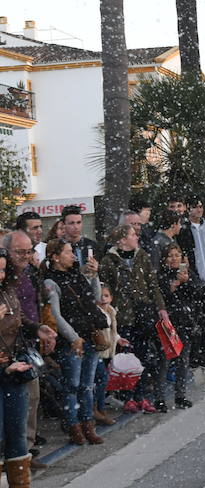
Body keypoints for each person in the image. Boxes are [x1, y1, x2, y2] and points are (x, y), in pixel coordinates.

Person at [41, 239, 109, 445]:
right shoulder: (50, 282)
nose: (73, 256)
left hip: (90, 334)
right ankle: (73, 426)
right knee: (72, 385)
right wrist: (73, 338)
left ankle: (88, 424)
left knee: (87, 385)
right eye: (68, 252)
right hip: (71, 341)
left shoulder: (77, 275)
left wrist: (95, 275)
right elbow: (56, 315)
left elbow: (95, 298)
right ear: (55, 257)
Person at [0, 247, 57, 487]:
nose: (0, 275)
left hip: (16, 370)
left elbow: (19, 319)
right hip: (4, 369)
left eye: (3, 269)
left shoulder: (7, 289)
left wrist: (36, 329)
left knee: (17, 439)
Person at [99, 224, 169, 414]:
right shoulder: (109, 261)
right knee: (126, 358)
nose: (136, 237)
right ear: (122, 240)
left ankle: (143, 396)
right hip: (123, 316)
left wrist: (160, 308)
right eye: (132, 235)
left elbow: (152, 284)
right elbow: (105, 289)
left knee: (144, 356)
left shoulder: (142, 256)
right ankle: (128, 396)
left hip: (143, 313)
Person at [178, 197, 205, 367]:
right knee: (194, 319)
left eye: (201, 206)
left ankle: (204, 352)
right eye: (195, 207)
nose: (199, 210)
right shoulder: (185, 228)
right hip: (192, 281)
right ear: (188, 209)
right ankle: (195, 354)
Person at [157, 243, 195, 408]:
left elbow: (198, 292)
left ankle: (180, 395)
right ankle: (160, 398)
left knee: (183, 360)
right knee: (164, 360)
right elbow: (159, 296)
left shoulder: (187, 273)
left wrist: (187, 282)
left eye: (177, 255)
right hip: (168, 323)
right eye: (171, 255)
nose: (174, 259)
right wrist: (170, 289)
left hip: (185, 319)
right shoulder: (161, 276)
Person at [93, 284, 125, 426]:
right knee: (102, 378)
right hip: (99, 351)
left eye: (106, 295)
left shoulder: (111, 311)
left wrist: (118, 339)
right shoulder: (98, 312)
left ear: (111, 298)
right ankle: (97, 408)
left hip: (108, 351)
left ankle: (99, 407)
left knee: (102, 379)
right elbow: (104, 325)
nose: (103, 299)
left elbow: (113, 331)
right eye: (100, 296)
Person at [59, 205, 99, 274]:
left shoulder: (92, 245)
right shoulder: (58, 246)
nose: (76, 227)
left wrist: (97, 269)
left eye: (79, 222)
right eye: (71, 223)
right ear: (63, 224)